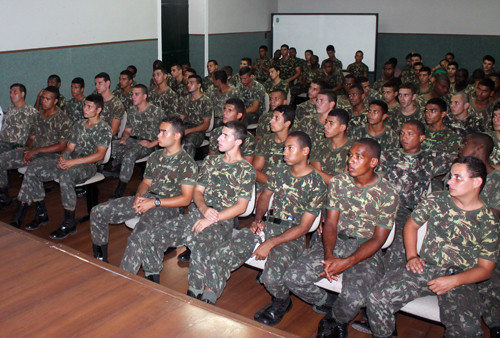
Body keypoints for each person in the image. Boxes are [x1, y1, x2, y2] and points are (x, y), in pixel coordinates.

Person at [201, 132, 326, 326]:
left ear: (305, 151)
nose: (284, 152)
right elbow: (265, 197)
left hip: (291, 235)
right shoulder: (279, 172)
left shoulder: (316, 183)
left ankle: (282, 301)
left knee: (271, 277)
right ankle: (207, 299)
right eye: (284, 147)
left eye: (289, 148)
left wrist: (270, 242)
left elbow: (304, 227)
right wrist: (258, 219)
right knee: (222, 254)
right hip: (268, 226)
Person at [366, 156, 499, 338]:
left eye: (457, 177)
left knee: (467, 329)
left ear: (476, 182)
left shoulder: (488, 221)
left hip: (460, 276)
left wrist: (454, 280)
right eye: (450, 176)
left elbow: (485, 269)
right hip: (426, 267)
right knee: (376, 298)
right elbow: (411, 225)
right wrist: (412, 256)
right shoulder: (436, 199)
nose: (449, 182)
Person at [283, 138, 399, 337]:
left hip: (365, 249)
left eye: (358, 157)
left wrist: (346, 262)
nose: (351, 161)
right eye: (350, 155)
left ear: (373, 162)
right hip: (335, 242)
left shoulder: (387, 193)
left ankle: (338, 319)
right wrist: (329, 256)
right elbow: (331, 224)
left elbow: (378, 239)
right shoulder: (339, 182)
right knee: (292, 278)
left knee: (354, 297)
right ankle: (327, 303)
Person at [120, 121, 256, 289]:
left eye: (225, 135)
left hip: (223, 220)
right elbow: (197, 192)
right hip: (199, 213)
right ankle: (152, 283)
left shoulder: (246, 170)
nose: (219, 138)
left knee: (200, 248)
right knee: (151, 238)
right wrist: (205, 209)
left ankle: (195, 295)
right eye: (220, 133)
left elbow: (241, 207)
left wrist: (213, 218)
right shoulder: (210, 161)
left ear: (238, 142)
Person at [90, 116, 197, 263]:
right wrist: (138, 197)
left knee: (138, 234)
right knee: (98, 212)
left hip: (168, 207)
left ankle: (125, 277)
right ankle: (100, 259)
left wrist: (154, 203)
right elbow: (145, 183)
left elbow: (186, 199)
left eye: (163, 132)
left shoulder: (187, 163)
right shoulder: (155, 156)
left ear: (177, 136)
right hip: (148, 198)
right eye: (159, 131)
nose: (158, 135)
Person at [13, 94, 111, 239]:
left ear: (98, 110)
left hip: (88, 165)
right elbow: (70, 147)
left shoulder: (104, 127)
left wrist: (72, 162)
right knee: (34, 169)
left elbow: (100, 155)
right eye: (84, 105)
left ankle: (69, 222)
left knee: (66, 176)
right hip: (72, 160)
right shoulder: (79, 124)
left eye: (89, 106)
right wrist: (63, 157)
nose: (85, 108)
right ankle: (41, 213)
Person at [5, 87, 72, 227]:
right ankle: (2, 195)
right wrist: (28, 150)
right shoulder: (38, 115)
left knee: (32, 171)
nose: (43, 101)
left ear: (55, 101)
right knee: (2, 159)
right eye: (42, 98)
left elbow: (61, 146)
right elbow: (31, 138)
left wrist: (35, 152)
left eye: (47, 99)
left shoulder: (63, 119)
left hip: (52, 155)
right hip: (34, 151)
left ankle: (24, 209)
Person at [459, 133, 500, 338]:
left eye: (465, 143)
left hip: (486, 242)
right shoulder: (460, 176)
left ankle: (495, 326)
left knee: (490, 282)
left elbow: (492, 217)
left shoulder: (497, 181)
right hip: (457, 240)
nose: (461, 146)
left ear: (477, 149)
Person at [107, 84, 164, 199]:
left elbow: (166, 133)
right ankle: (113, 168)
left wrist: (151, 144)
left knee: (130, 155)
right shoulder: (132, 110)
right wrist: (123, 138)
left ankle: (120, 189)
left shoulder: (156, 111)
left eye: (136, 94)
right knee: (110, 146)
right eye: (132, 94)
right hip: (133, 140)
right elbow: (127, 130)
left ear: (145, 96)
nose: (133, 97)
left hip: (149, 143)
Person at [0, 84, 38, 207]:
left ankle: (3, 195)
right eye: (10, 92)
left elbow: (37, 135)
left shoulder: (31, 112)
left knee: (1, 159)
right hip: (4, 143)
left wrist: (28, 146)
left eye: (15, 92)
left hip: (19, 146)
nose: (11, 94)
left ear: (22, 94)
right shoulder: (10, 110)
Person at [254, 105, 294, 193]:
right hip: (265, 182)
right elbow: (256, 170)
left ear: (287, 123)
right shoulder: (265, 141)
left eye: (277, 118)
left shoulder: (295, 143)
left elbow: (297, 172)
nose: (271, 121)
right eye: (272, 117)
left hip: (287, 186)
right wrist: (273, 184)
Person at [310, 108, 353, 184]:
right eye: (326, 122)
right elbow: (315, 175)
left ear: (342, 127)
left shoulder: (353, 149)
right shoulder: (319, 145)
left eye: (331, 123)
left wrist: (327, 178)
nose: (326, 126)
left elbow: (345, 182)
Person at [208, 98, 255, 164]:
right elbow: (211, 158)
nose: (224, 113)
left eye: (230, 110)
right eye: (224, 109)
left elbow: (247, 165)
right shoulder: (216, 132)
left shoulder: (248, 138)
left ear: (239, 115)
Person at [177, 75, 213, 158]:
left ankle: (187, 168)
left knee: (188, 143)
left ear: (199, 85)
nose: (188, 85)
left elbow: (206, 125)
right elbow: (180, 119)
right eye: (188, 83)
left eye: (192, 83)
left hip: (198, 130)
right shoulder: (185, 100)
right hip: (185, 127)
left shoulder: (206, 101)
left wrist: (189, 131)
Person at [94, 72, 126, 137]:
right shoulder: (96, 100)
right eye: (96, 84)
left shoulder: (116, 104)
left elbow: (113, 131)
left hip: (106, 138)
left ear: (108, 83)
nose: (97, 86)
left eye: (100, 83)